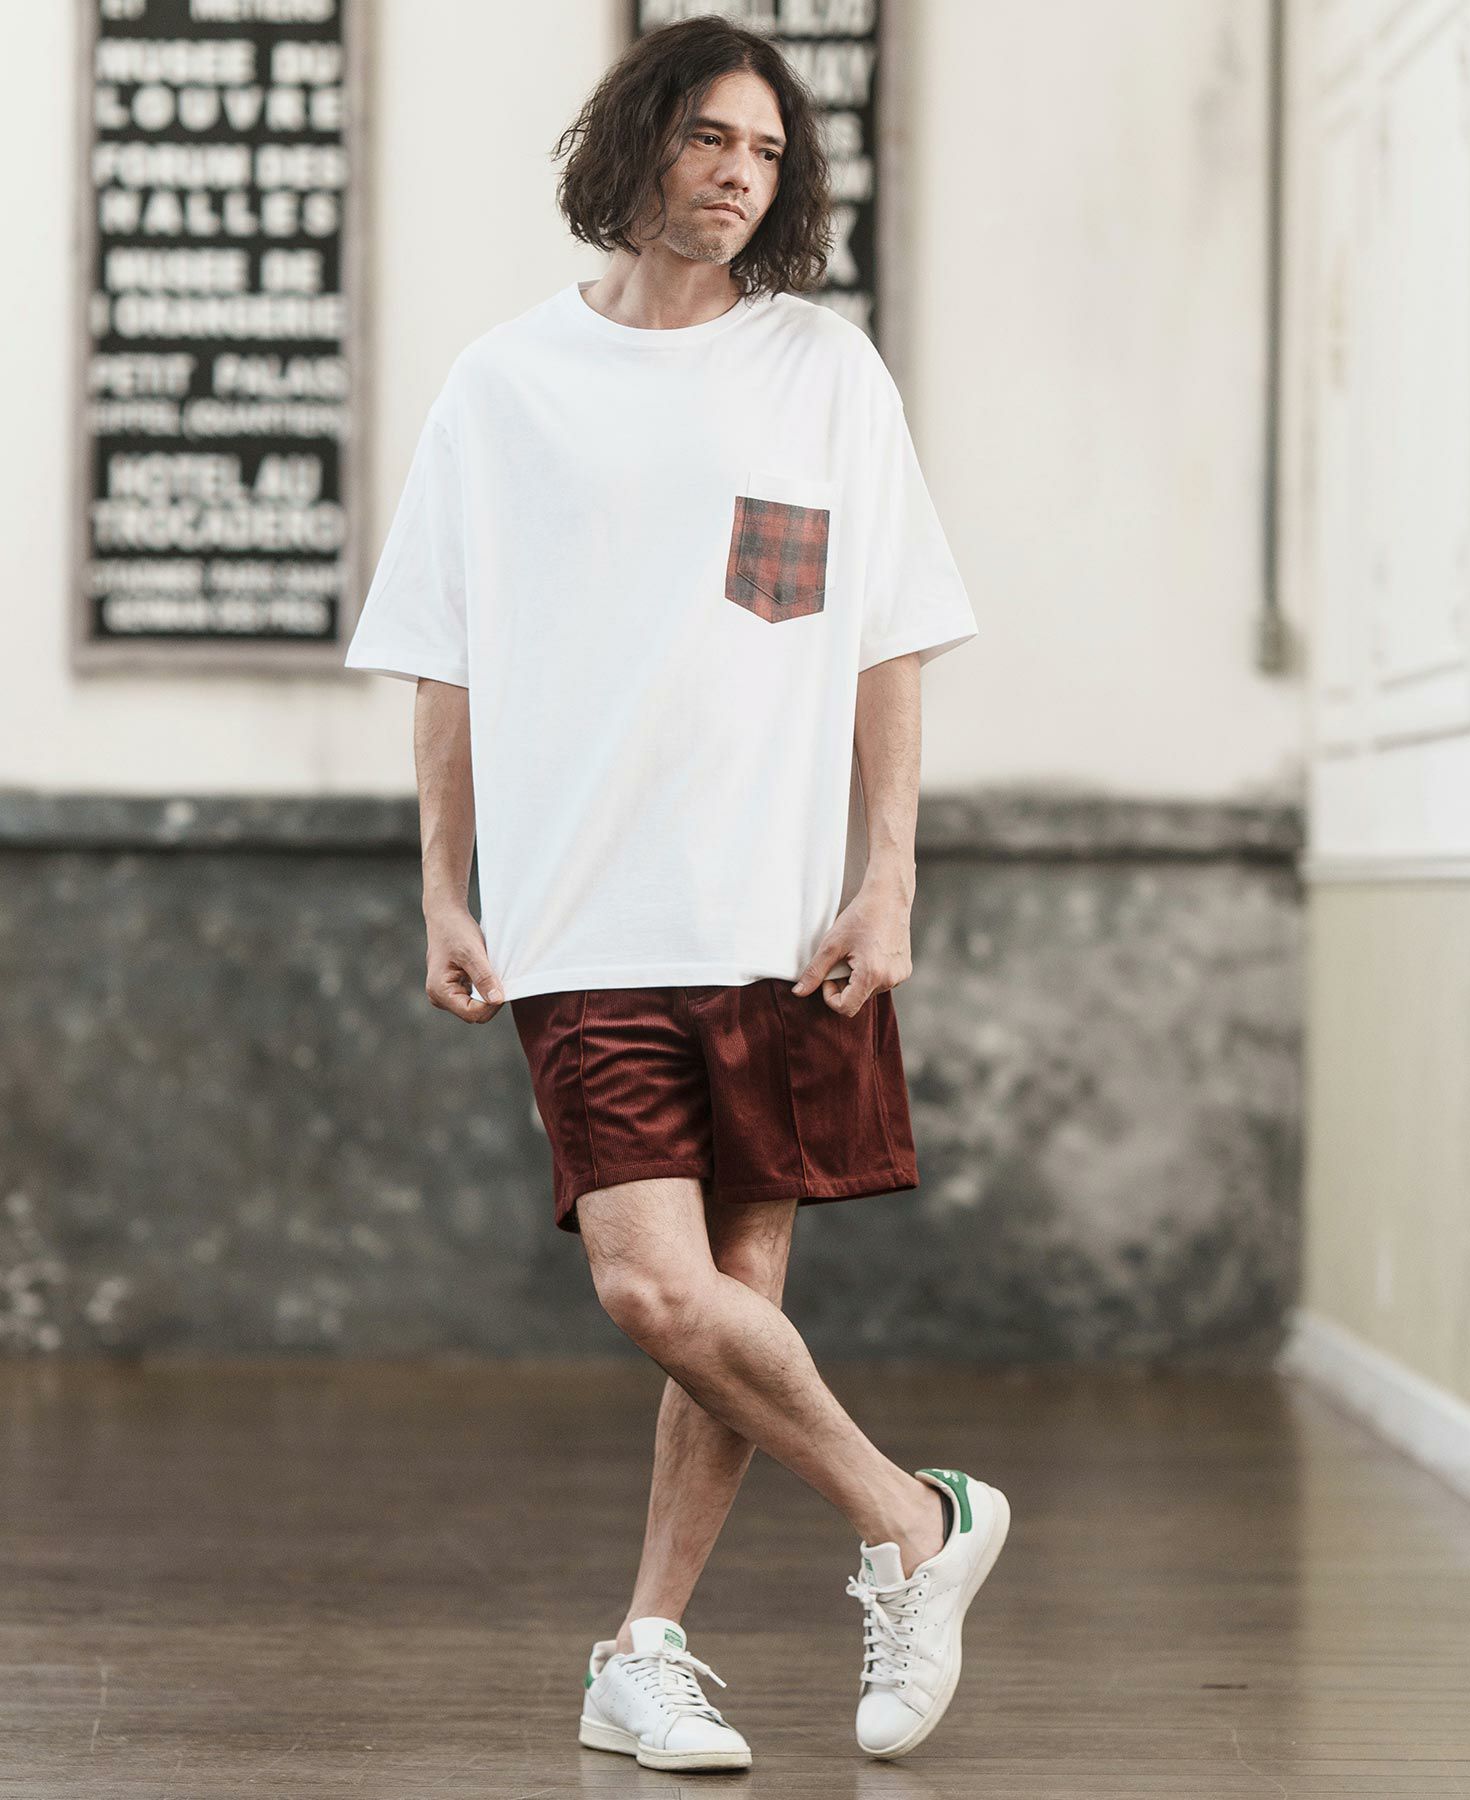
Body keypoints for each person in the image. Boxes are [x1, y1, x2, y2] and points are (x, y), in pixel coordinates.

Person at [345, 13, 1007, 1773]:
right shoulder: (505, 385)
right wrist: (445, 892)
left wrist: (888, 879)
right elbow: (442, 658)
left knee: (737, 1307)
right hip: (583, 919)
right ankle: (917, 1521)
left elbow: (886, 644)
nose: (739, 175)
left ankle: (642, 1650)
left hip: (780, 923)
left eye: (770, 152)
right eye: (713, 137)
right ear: (637, 141)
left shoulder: (824, 375)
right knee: (656, 1289)